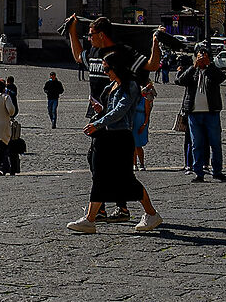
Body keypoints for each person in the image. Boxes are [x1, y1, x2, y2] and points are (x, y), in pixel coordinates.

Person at [65, 54, 162, 234]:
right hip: (109, 136)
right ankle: (90, 219)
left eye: (107, 69)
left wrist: (97, 123)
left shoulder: (130, 86)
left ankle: (151, 214)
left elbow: (120, 111)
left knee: (126, 180)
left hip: (121, 138)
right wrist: (100, 110)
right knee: (101, 177)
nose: (105, 72)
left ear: (117, 68)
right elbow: (112, 110)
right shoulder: (113, 86)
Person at [181, 49, 226, 181]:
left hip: (211, 112)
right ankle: (198, 172)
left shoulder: (212, 72)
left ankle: (217, 171)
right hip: (194, 113)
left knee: (215, 143)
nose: (201, 59)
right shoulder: (192, 71)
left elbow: (222, 78)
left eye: (204, 57)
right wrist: (193, 67)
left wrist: (210, 65)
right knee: (196, 144)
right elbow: (180, 80)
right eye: (199, 57)